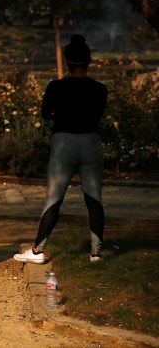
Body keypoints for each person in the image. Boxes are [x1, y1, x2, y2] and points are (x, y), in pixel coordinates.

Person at [14, 34, 108, 264]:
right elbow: (97, 114)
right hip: (91, 143)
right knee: (94, 199)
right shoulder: (100, 89)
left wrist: (63, 113)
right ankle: (96, 253)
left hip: (64, 143)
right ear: (89, 61)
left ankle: (38, 251)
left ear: (67, 61)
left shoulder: (56, 86)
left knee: (54, 199)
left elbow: (46, 114)